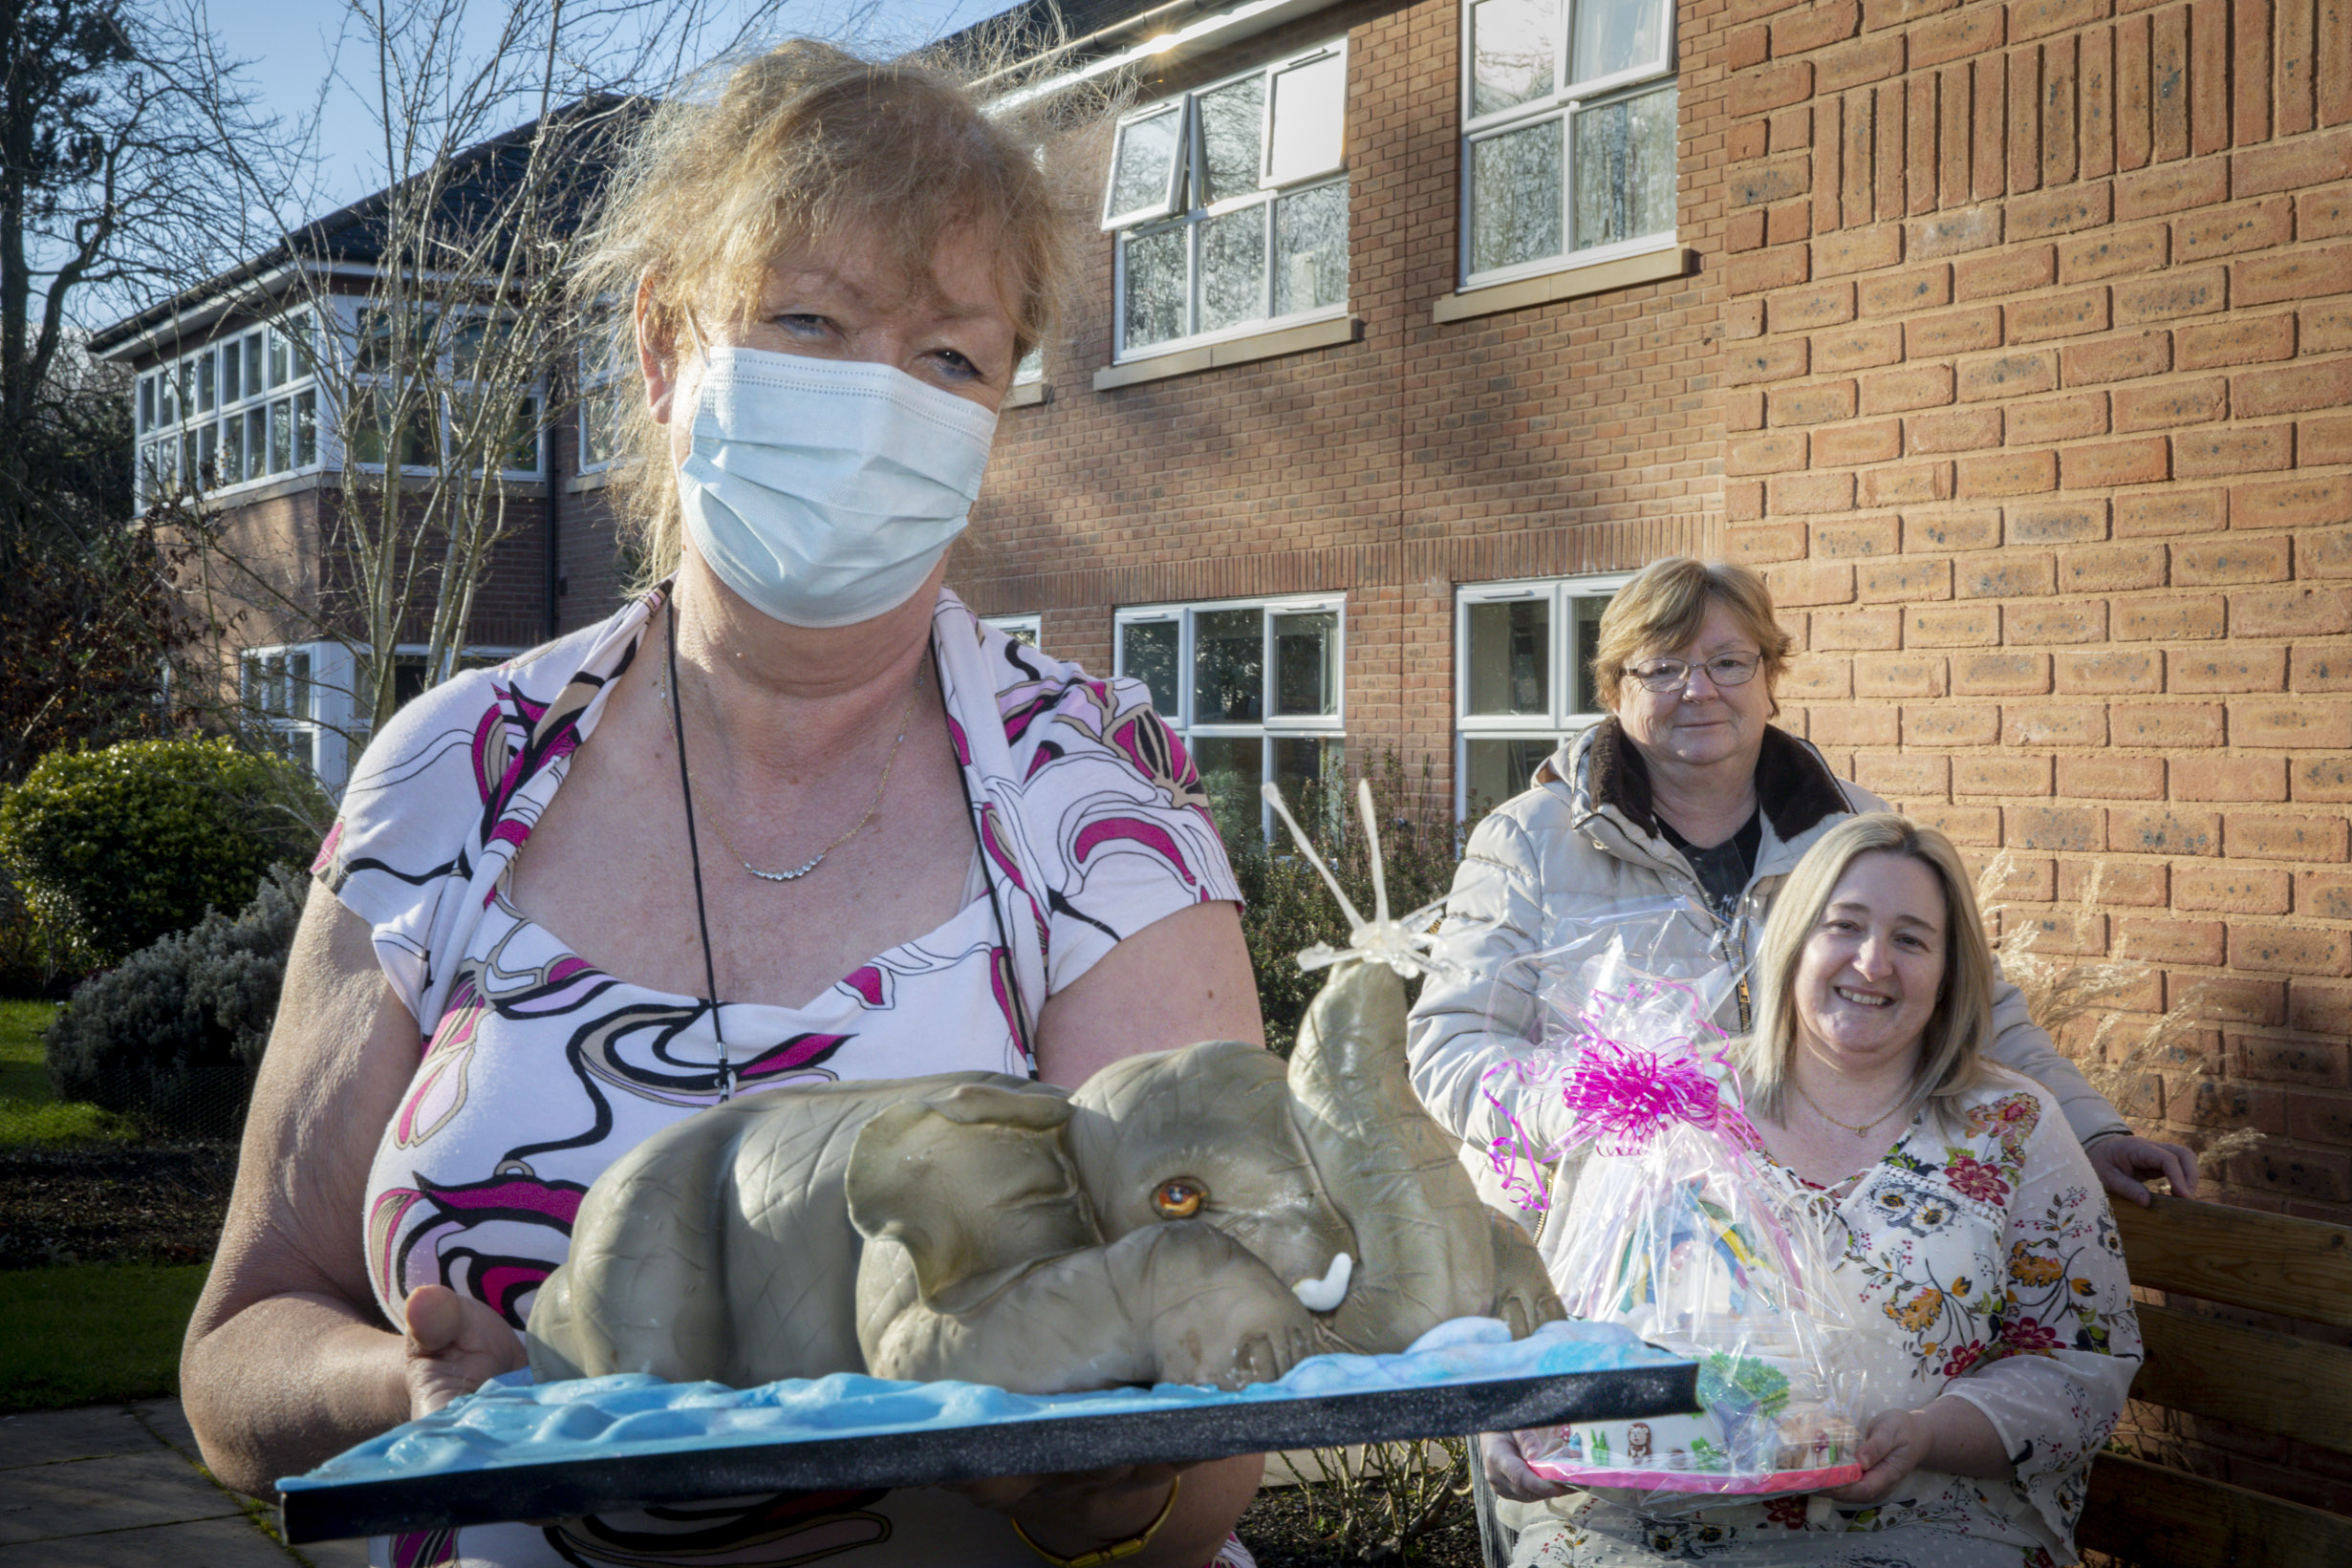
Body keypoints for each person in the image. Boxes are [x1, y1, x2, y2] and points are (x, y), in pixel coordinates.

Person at [180, 43, 1266, 1568]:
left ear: (1002, 409)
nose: (878, 403)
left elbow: (1216, 1419)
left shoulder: (1094, 803)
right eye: (809, 322)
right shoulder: (448, 772)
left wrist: (1082, 1465)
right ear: (661, 347)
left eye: (950, 358)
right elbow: (237, 1350)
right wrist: (408, 1385)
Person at [1410, 556, 2197, 1211]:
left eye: (1727, 662)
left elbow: (1974, 1009)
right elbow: (1449, 1049)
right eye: (1663, 667)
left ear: (1768, 677)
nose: (1699, 690)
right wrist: (1591, 1106)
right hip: (1596, 1241)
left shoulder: (1855, 829)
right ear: (1615, 689)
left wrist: (2089, 1128)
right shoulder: (1527, 840)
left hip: (1824, 1230)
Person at [1482, 812, 2143, 1566]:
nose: (1871, 962)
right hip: (1642, 1525)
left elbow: (2080, 1364)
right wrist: (1512, 1405)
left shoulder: (2010, 1123)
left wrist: (1931, 1432)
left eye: (1910, 938)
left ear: (1950, 970)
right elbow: (1550, 1317)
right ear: (1792, 941)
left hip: (1924, 1521)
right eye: (1844, 925)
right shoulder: (1673, 1102)